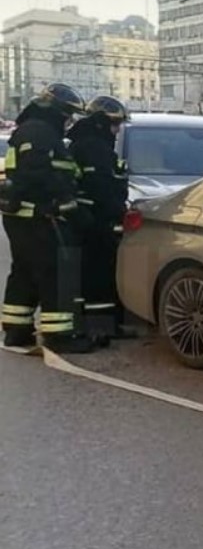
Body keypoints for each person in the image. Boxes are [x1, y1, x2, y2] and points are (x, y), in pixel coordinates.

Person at [0, 84, 97, 355]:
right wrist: (63, 199)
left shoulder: (34, 130)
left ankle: (16, 330)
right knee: (54, 272)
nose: (69, 122)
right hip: (39, 215)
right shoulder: (38, 132)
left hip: (26, 216)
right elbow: (38, 172)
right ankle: (59, 336)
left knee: (25, 272)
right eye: (67, 115)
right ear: (55, 111)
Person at [68, 96, 133, 343]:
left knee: (91, 277)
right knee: (98, 278)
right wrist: (118, 210)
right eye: (114, 124)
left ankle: (97, 327)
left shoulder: (83, 143)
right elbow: (101, 186)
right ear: (100, 122)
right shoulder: (94, 147)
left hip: (87, 219)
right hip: (95, 221)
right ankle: (100, 329)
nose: (116, 130)